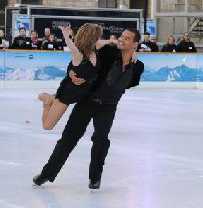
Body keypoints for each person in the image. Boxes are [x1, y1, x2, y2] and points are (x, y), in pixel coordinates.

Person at [33, 28, 144, 190]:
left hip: (108, 106)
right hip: (87, 102)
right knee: (68, 139)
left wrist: (131, 60)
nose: (121, 39)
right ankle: (46, 174)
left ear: (135, 44)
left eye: (126, 38)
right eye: (121, 36)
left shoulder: (138, 67)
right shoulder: (108, 52)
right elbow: (83, 60)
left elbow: (127, 84)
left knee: (101, 139)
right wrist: (72, 73)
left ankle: (95, 178)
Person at [38, 23, 103, 130]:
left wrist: (132, 52)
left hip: (82, 94)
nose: (100, 38)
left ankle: (52, 97)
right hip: (67, 94)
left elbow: (111, 42)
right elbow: (71, 47)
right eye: (98, 36)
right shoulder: (79, 55)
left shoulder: (96, 48)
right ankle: (48, 100)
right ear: (92, 37)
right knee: (47, 126)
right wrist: (66, 36)